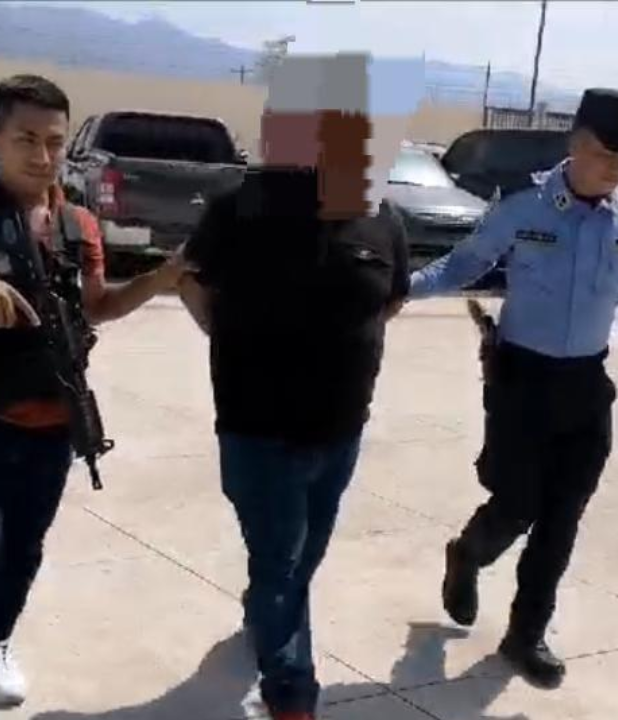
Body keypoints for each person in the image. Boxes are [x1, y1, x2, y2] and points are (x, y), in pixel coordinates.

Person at [0, 74, 188, 720]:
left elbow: (97, 307)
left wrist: (162, 278)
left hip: (51, 422)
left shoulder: (78, 224)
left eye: (54, 142)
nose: (42, 155)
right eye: (26, 139)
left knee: (23, 550)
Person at [406, 88, 618, 688]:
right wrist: (400, 289)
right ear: (576, 143)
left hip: (585, 387)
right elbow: (463, 265)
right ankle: (467, 553)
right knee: (517, 506)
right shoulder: (523, 206)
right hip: (521, 384)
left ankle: (525, 635)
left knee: (562, 520)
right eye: (607, 152)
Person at [178, 54, 411, 720]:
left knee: (301, 560)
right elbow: (189, 277)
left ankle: (265, 615)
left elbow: (391, 297)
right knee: (279, 560)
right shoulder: (237, 208)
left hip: (340, 432)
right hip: (257, 429)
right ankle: (291, 692)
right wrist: (227, 334)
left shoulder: (380, 215)